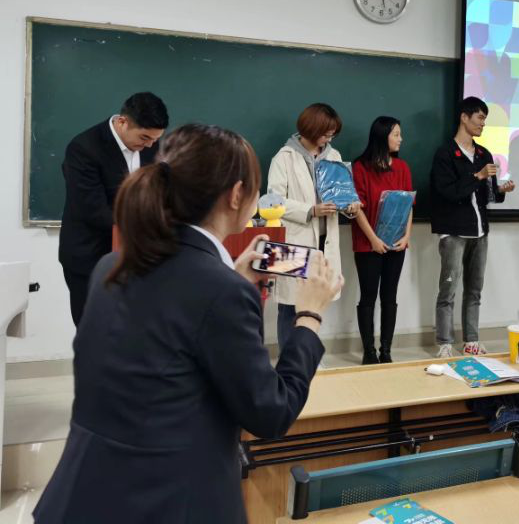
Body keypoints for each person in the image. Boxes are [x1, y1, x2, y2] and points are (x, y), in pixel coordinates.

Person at [34, 124, 343, 524]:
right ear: (237, 195)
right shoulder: (219, 291)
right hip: (167, 505)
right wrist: (309, 316)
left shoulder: (111, 265)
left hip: (81, 496)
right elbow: (271, 412)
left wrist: (233, 277)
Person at [58, 92, 169, 325]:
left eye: (155, 139)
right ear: (122, 122)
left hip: (139, 258)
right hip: (90, 256)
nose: (150, 145)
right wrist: (144, 227)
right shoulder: (84, 148)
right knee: (93, 327)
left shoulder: (152, 145)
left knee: (134, 329)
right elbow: (92, 209)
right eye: (145, 137)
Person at [267, 103, 358, 349]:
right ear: (311, 129)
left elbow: (342, 193)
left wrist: (350, 205)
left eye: (332, 135)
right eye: (325, 134)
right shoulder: (284, 157)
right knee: (289, 307)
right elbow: (273, 202)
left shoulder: (334, 156)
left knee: (315, 305)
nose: (329, 139)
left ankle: (307, 356)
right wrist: (310, 210)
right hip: (292, 242)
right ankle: (289, 358)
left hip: (323, 243)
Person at [430, 97, 515, 358]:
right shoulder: (445, 153)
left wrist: (501, 190)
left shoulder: (483, 154)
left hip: (480, 230)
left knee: (475, 290)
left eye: (484, 119)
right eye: (479, 118)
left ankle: (472, 340)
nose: (482, 124)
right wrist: (477, 176)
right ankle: (444, 342)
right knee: (448, 290)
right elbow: (447, 192)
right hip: (454, 231)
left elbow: (488, 194)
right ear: (464, 117)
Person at [351, 116, 414, 365]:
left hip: (397, 243)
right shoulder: (360, 167)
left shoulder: (402, 167)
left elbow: (409, 204)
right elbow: (357, 208)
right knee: (368, 296)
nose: (401, 139)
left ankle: (386, 350)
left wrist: (407, 236)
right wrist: (373, 240)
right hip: (368, 244)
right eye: (396, 134)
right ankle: (369, 352)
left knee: (390, 297)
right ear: (382, 136)